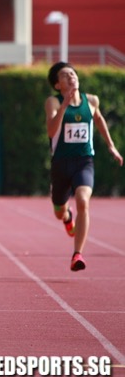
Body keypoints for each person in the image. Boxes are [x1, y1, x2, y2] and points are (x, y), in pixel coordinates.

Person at [45, 62, 123, 271]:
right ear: (57, 84)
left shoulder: (91, 101)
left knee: (83, 201)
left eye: (72, 73)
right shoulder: (53, 102)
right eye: (64, 75)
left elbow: (99, 120)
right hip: (61, 164)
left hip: (84, 162)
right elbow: (52, 132)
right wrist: (64, 106)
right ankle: (67, 218)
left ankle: (77, 254)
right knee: (59, 212)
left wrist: (111, 146)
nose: (71, 76)